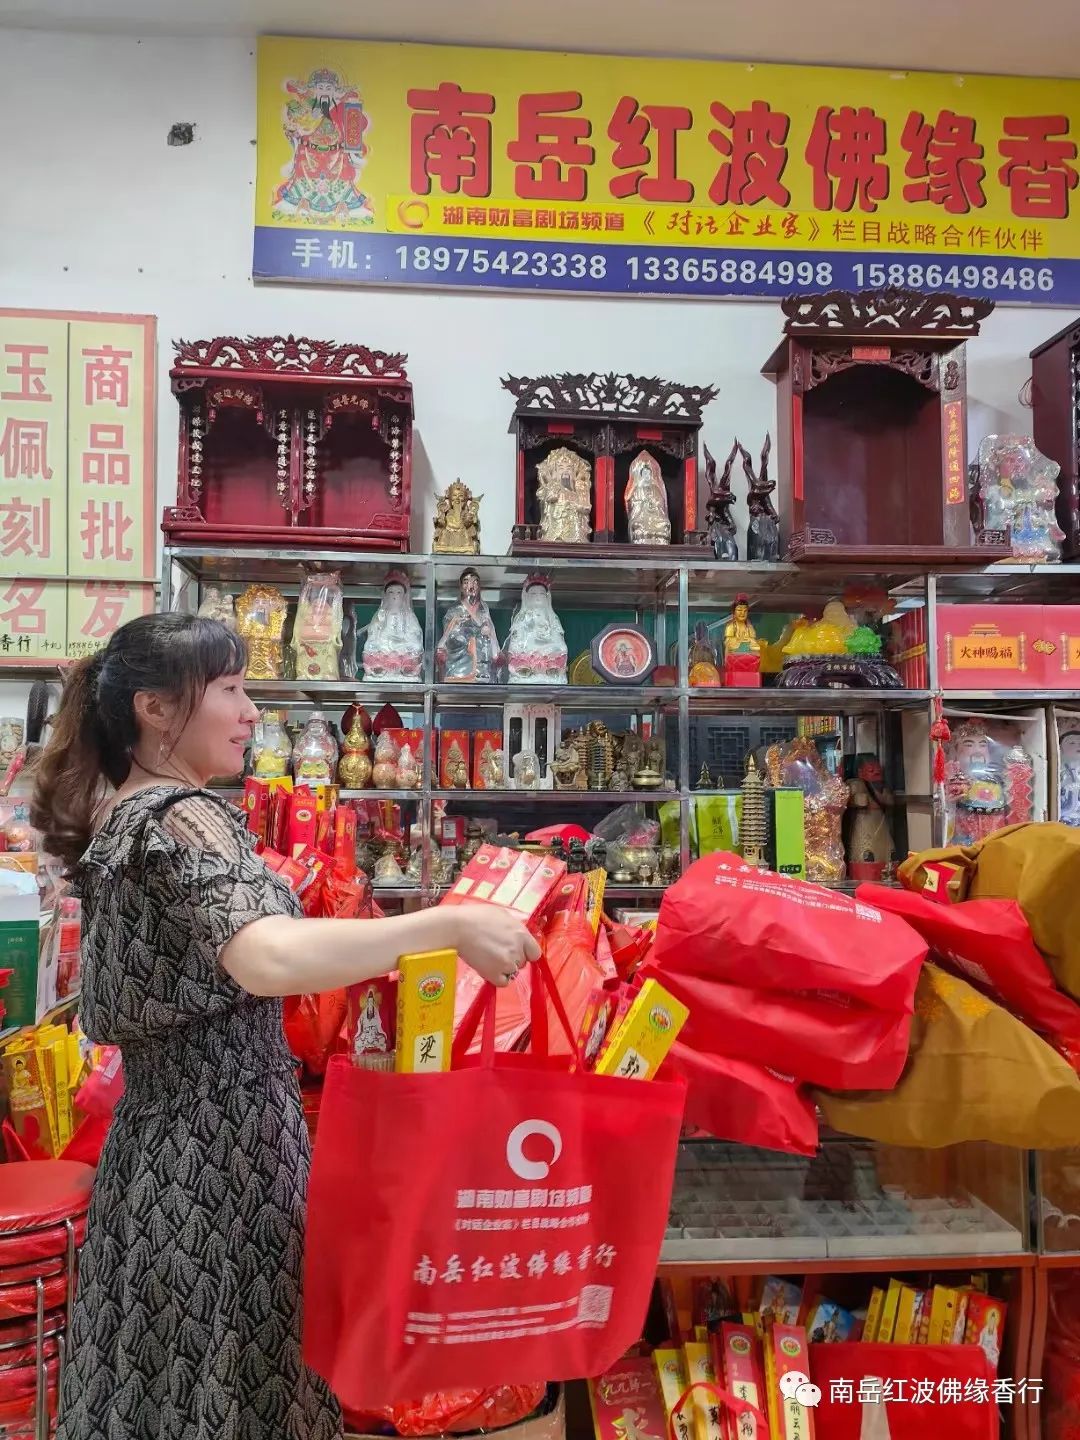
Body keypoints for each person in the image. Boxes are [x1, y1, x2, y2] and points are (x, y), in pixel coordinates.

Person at [31, 613, 538, 1440]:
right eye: (230, 690)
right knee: (238, 1383)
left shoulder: (125, 813)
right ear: (157, 709)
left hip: (159, 1155)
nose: (251, 712)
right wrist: (443, 925)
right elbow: (265, 958)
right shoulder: (179, 815)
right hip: (222, 1161)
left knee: (170, 1389)